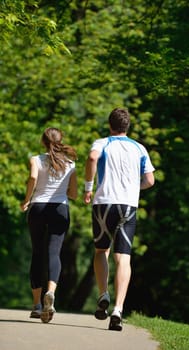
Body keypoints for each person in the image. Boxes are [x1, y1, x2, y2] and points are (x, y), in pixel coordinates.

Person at [84, 108, 155, 331]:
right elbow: (150, 181)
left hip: (104, 203)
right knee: (123, 257)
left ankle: (103, 293)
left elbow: (93, 157)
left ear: (110, 124)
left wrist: (88, 188)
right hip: (128, 206)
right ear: (128, 126)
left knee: (100, 251)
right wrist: (135, 186)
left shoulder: (102, 142)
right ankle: (118, 308)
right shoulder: (139, 148)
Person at [20, 127, 77, 323]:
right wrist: (61, 189)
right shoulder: (70, 164)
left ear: (43, 141)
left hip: (37, 207)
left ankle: (36, 305)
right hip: (60, 209)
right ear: (61, 141)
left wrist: (27, 199)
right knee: (54, 253)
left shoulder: (35, 159)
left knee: (37, 252)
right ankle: (50, 293)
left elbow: (33, 178)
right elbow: (74, 194)